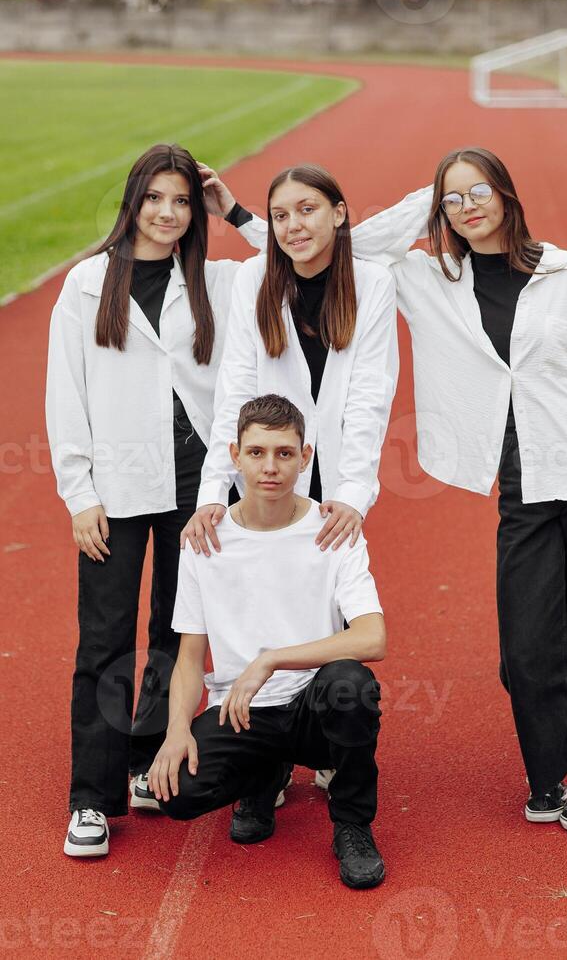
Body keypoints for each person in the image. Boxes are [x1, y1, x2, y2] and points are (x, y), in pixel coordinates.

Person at [348, 146, 567, 832]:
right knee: (526, 645)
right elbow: (342, 248)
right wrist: (422, 206)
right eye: (453, 199)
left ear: (507, 194)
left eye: (479, 190)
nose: (469, 206)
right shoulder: (425, 278)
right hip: (524, 487)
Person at [46, 143, 257, 858]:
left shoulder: (218, 281)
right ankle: (92, 798)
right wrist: (79, 492)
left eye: (182, 201)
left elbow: (289, 257)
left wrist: (233, 208)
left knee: (177, 630)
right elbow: (65, 396)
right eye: (156, 198)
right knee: (105, 640)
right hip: (118, 485)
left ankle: (143, 761)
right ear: (133, 201)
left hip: (196, 487)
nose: (168, 214)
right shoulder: (84, 284)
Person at [180, 163, 398, 823]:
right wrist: (216, 487)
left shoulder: (373, 282)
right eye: (280, 215)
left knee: (328, 597)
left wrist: (354, 493)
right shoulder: (255, 278)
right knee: (263, 585)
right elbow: (236, 388)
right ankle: (265, 755)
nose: (293, 225)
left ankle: (331, 748)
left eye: (308, 210)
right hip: (270, 453)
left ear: (338, 212)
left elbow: (370, 394)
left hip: (334, 462)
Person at [150, 394, 386, 889]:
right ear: (235, 456)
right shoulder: (203, 541)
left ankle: (352, 825)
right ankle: (262, 776)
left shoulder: (334, 530)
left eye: (284, 453)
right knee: (176, 794)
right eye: (257, 453)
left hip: (313, 708)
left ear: (306, 457)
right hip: (244, 711)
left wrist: (273, 659)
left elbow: (372, 637)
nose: (270, 467)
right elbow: (190, 657)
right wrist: (176, 731)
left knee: (351, 684)